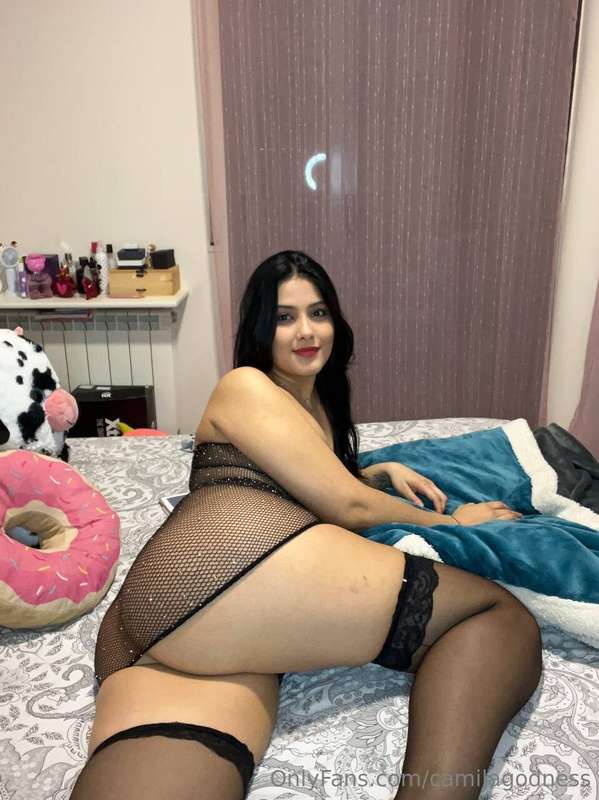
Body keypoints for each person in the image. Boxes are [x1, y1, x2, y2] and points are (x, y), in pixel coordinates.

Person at [70, 251, 542, 800]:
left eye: (318, 313)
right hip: (225, 568)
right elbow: (349, 507)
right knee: (493, 614)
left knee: (174, 761)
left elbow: (315, 478)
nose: (306, 331)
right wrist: (452, 519)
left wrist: (377, 471)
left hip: (171, 618)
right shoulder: (245, 385)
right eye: (284, 317)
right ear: (259, 328)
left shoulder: (312, 402)